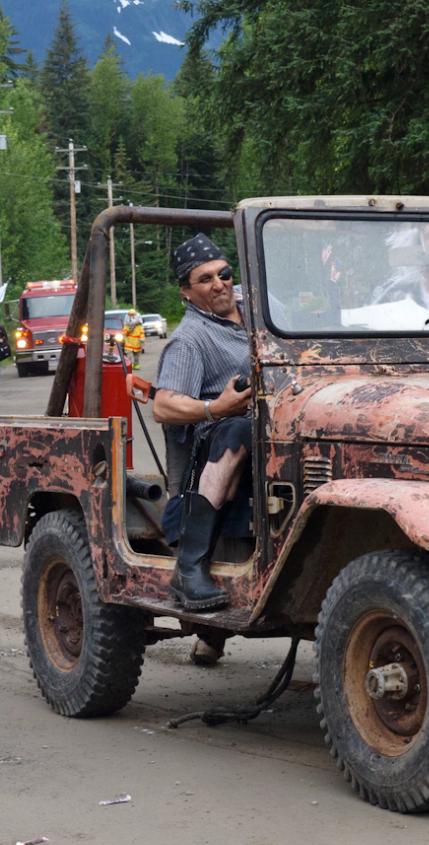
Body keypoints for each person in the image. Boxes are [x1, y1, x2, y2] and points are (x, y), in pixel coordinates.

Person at [152, 234, 252, 613]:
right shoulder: (190, 340)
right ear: (186, 291)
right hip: (217, 442)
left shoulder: (259, 309)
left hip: (279, 426)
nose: (219, 284)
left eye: (223, 273)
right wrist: (217, 407)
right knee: (238, 429)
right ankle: (190, 567)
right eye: (205, 279)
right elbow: (163, 406)